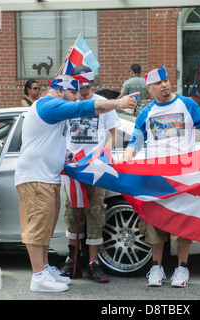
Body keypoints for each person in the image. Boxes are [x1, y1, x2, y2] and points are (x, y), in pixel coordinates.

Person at [118, 66, 200, 287]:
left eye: (167, 80)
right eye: (159, 83)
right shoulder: (146, 112)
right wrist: (127, 156)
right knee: (154, 223)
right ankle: (156, 267)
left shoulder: (186, 104)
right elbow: (137, 140)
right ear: (149, 89)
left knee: (181, 224)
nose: (165, 85)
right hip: (155, 177)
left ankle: (182, 268)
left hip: (183, 176)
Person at [14, 74, 138, 292]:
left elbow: (51, 141)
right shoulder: (49, 104)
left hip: (47, 176)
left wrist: (67, 154)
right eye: (73, 93)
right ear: (61, 91)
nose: (76, 98)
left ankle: (44, 268)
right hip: (36, 177)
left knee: (45, 228)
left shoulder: (54, 106)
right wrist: (118, 103)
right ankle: (38, 276)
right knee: (36, 228)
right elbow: (84, 109)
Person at [59, 65, 121, 283]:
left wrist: (106, 155)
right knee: (72, 213)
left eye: (88, 86)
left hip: (94, 167)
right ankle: (73, 261)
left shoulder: (103, 104)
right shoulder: (67, 103)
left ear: (94, 84)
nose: (84, 91)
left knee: (95, 214)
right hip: (73, 167)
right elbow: (58, 133)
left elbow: (113, 134)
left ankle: (94, 263)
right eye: (80, 86)